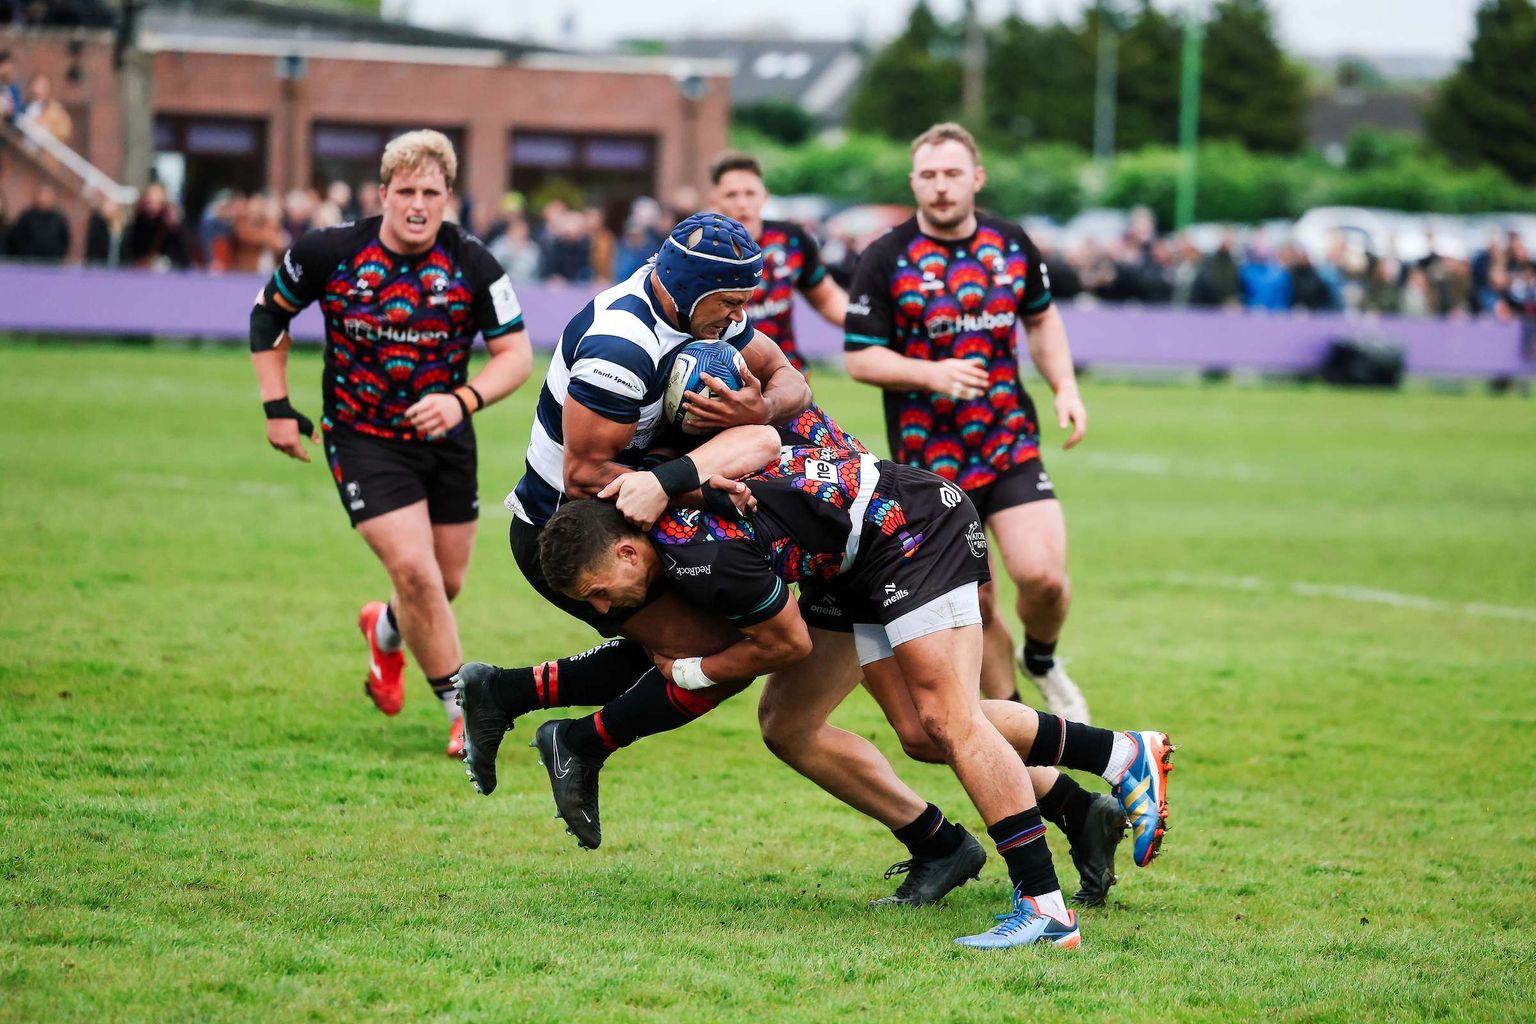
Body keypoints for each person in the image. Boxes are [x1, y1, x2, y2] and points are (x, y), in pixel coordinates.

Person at [532, 447, 1174, 949]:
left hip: (911, 530)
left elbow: (786, 645)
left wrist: (694, 672)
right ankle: (1118, 755)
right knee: (807, 723)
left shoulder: (700, 558)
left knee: (948, 721)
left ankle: (1045, 911)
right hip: (848, 560)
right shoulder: (659, 518)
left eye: (597, 591)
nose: (600, 609)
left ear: (624, 548)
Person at [248, 129, 533, 757]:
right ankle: (464, 709)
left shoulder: (473, 262)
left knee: (443, 583)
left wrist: (464, 400)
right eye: (405, 190)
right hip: (360, 436)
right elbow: (269, 313)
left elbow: (515, 355)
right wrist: (276, 407)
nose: (417, 204)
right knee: (415, 571)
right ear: (382, 193)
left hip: (446, 438)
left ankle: (384, 629)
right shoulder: (329, 251)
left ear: (448, 198)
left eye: (431, 192)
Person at [843, 122, 1091, 721]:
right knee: (977, 603)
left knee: (1044, 578)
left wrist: (1065, 386)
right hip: (932, 467)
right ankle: (1019, 728)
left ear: (976, 177)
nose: (941, 187)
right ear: (914, 182)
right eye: (928, 176)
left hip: (1008, 441)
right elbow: (859, 356)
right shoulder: (885, 257)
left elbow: (1042, 318)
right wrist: (932, 374)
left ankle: (1042, 656)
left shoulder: (1011, 243)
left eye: (953, 174)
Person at [708, 151, 847, 375]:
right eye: (731, 195)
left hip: (788, 378)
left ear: (764, 196)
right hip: (722, 379)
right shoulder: (699, 250)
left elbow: (826, 299)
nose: (743, 203)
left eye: (750, 193)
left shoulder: (792, 239)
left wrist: (869, 327)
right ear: (714, 201)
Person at [6, 183, 70, 262]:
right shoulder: (27, 216)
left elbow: (65, 240)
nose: (44, 198)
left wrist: (58, 256)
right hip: (28, 263)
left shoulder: (60, 219)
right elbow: (17, 238)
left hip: (51, 264)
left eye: (47, 195)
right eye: (42, 194)